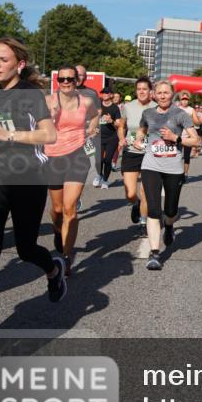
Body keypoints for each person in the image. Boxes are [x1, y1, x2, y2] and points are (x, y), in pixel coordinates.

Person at [0, 37, 68, 323]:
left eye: (3, 60)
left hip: (29, 179)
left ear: (19, 64)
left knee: (26, 249)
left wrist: (11, 135)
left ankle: (53, 270)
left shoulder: (31, 95)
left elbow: (49, 135)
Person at [133, 80, 199, 271]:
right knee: (153, 209)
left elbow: (195, 140)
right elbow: (142, 130)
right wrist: (138, 140)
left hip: (173, 168)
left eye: (166, 93)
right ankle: (155, 254)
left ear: (172, 94)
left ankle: (169, 226)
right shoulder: (148, 113)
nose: (162, 96)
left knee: (170, 210)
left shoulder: (180, 114)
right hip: (151, 164)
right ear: (154, 95)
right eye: (159, 93)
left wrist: (176, 138)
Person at [44, 65, 98, 275]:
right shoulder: (48, 101)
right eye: (62, 79)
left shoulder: (86, 101)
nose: (66, 82)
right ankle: (58, 230)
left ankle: (67, 256)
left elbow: (95, 115)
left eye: (70, 79)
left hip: (77, 157)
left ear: (77, 81)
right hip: (54, 157)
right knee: (57, 210)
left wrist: (91, 128)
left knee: (70, 208)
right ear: (57, 81)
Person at [120, 77, 157, 230]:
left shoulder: (157, 107)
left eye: (144, 89)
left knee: (146, 191)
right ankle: (136, 203)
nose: (141, 92)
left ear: (150, 91)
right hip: (131, 151)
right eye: (139, 89)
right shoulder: (128, 107)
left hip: (150, 153)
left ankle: (143, 221)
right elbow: (121, 126)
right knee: (130, 193)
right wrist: (121, 138)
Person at [74, 64, 101, 188]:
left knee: (93, 160)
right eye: (76, 74)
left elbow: (98, 111)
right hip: (70, 133)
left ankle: (78, 190)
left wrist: (94, 126)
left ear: (85, 77)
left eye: (81, 75)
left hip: (88, 132)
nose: (78, 77)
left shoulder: (92, 93)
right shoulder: (64, 91)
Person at [94, 87, 122, 189]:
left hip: (112, 138)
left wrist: (111, 121)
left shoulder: (115, 108)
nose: (104, 94)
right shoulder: (98, 106)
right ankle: (99, 175)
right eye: (103, 93)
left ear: (111, 95)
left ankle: (105, 180)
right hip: (99, 137)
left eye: (106, 93)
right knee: (98, 160)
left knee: (107, 160)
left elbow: (118, 124)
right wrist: (93, 128)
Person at [175, 91, 201, 180]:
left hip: (188, 136)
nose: (185, 101)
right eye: (183, 99)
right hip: (178, 136)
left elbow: (197, 123)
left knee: (186, 156)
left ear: (188, 100)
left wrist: (196, 119)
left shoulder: (191, 110)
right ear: (180, 100)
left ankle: (185, 174)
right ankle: (177, 173)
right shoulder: (176, 109)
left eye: (186, 99)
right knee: (177, 156)